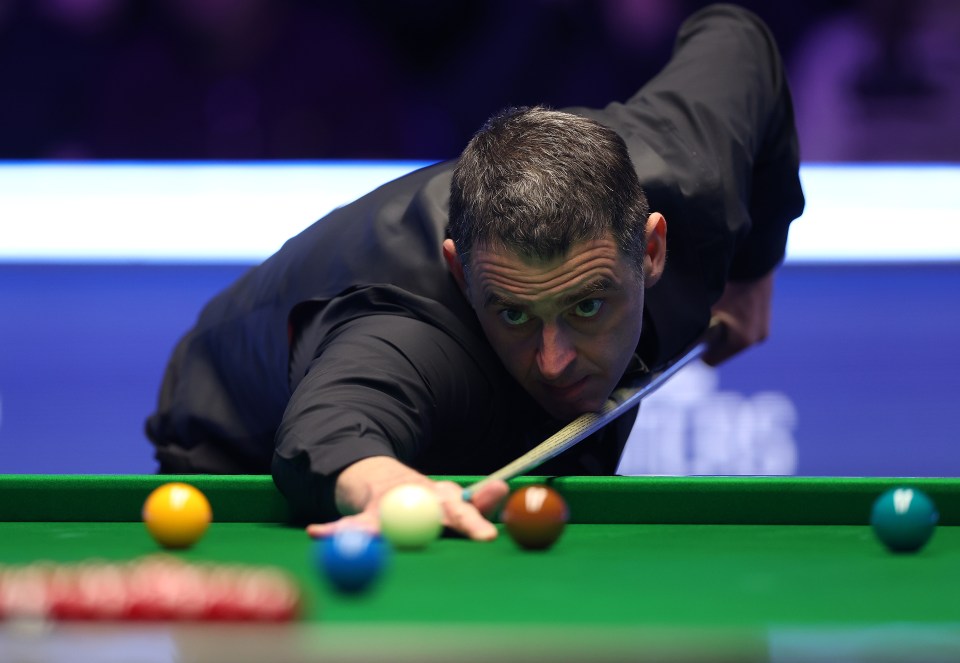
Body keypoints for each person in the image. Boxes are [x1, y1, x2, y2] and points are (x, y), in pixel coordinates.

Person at [146, 3, 804, 541]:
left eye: (587, 306)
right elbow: (330, 429)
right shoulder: (408, 330)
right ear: (461, 271)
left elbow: (741, 41)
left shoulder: (693, 177)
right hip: (237, 440)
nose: (553, 360)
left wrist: (753, 267)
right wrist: (389, 483)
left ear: (652, 250)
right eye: (516, 312)